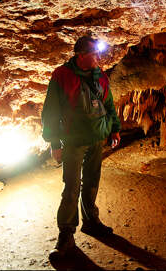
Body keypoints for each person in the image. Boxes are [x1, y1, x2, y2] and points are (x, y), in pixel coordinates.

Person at [41, 35, 121, 255]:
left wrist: (114, 128)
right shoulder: (62, 76)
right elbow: (51, 112)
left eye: (98, 53)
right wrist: (54, 142)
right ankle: (66, 233)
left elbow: (108, 104)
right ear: (81, 55)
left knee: (92, 181)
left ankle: (91, 221)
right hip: (74, 141)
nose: (98, 57)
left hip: (97, 138)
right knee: (71, 186)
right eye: (94, 54)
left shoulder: (100, 76)